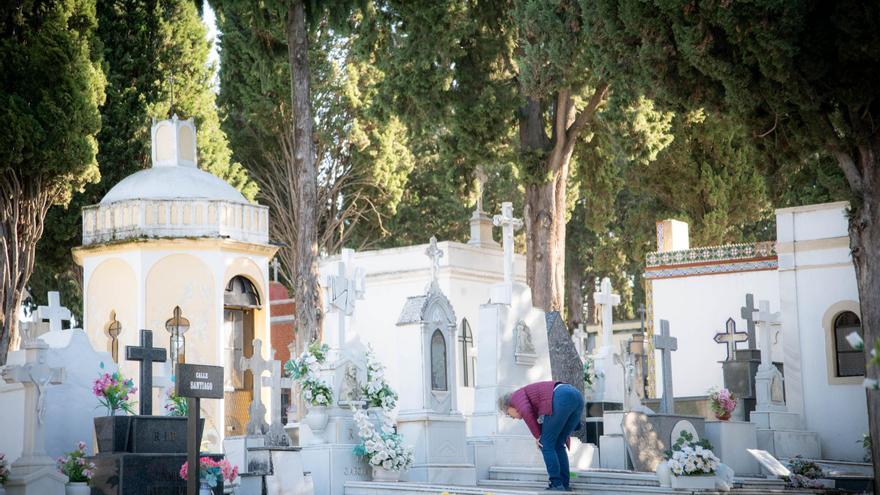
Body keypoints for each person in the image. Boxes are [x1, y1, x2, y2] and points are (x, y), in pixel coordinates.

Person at [499, 381, 584, 491]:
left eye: (508, 414)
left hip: (561, 396)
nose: (512, 417)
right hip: (577, 396)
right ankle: (564, 484)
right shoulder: (527, 396)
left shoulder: (516, 397)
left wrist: (538, 436)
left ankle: (556, 484)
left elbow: (526, 411)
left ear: (509, 406)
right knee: (558, 443)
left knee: (546, 444)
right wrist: (540, 435)